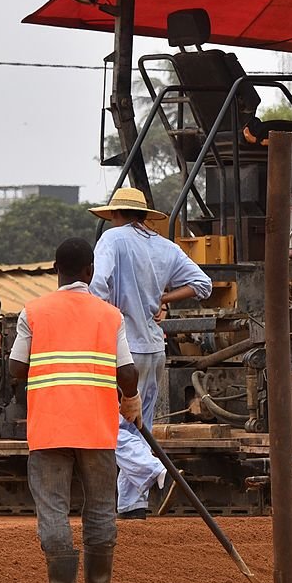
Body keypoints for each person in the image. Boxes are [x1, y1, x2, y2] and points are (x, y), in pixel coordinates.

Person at [9, 238, 140, 583]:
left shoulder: (32, 312)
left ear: (55, 268)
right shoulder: (109, 315)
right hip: (96, 427)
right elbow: (127, 372)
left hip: (49, 427)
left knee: (53, 508)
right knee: (100, 507)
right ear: (90, 272)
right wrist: (129, 400)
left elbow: (17, 368)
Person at [88, 188, 212, 519]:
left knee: (108, 425)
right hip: (155, 347)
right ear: (143, 215)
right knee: (139, 425)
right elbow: (203, 284)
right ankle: (133, 506)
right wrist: (164, 300)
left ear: (115, 214)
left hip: (122, 347)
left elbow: (97, 286)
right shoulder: (165, 247)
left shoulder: (112, 240)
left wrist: (105, 321)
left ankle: (150, 469)